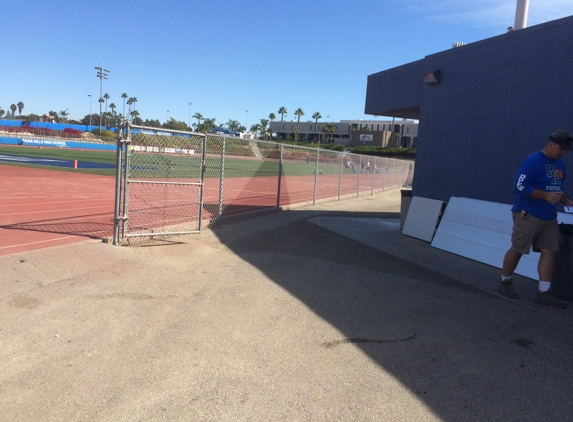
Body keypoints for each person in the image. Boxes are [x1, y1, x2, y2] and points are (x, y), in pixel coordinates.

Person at [499, 130, 573, 309]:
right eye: (561, 149)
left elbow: (558, 187)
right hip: (528, 214)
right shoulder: (533, 161)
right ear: (551, 144)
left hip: (549, 216)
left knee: (550, 251)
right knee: (518, 249)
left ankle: (544, 292)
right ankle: (505, 282)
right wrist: (544, 195)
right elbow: (518, 186)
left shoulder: (560, 165)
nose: (563, 153)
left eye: (566, 150)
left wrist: (567, 200)